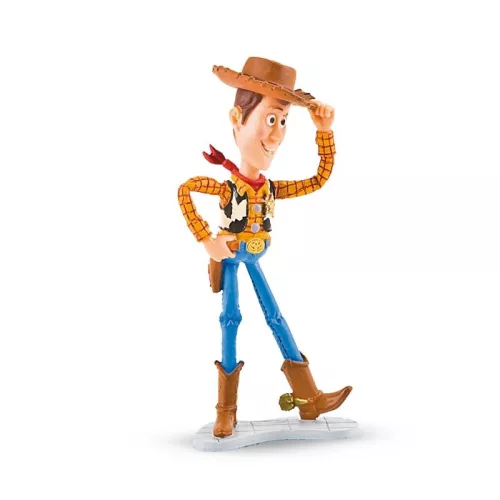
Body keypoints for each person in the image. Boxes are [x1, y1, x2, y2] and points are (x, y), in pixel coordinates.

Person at [178, 57, 352, 438]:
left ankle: (308, 398)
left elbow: (318, 179)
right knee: (230, 320)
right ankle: (226, 410)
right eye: (270, 119)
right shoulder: (226, 188)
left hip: (254, 257)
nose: (276, 135)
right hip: (231, 257)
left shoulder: (271, 188)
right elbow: (185, 189)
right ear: (237, 119)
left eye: (283, 122)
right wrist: (207, 239)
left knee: (275, 317)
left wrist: (324, 133)